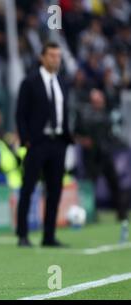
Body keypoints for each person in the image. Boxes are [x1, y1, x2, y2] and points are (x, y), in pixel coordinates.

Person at [15, 42, 73, 248]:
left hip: (58, 142)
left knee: (55, 190)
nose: (55, 59)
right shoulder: (30, 82)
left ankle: (49, 236)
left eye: (58, 56)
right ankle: (22, 235)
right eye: (51, 55)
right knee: (28, 188)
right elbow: (20, 114)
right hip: (37, 142)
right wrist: (26, 139)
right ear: (42, 57)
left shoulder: (62, 82)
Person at [74, 89, 129, 242]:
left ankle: (121, 214)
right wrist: (84, 141)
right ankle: (88, 215)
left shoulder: (106, 115)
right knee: (89, 186)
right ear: (92, 101)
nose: (100, 101)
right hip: (91, 155)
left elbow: (110, 134)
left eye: (101, 99)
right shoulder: (84, 114)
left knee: (114, 183)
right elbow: (76, 134)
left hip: (104, 154)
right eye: (97, 99)